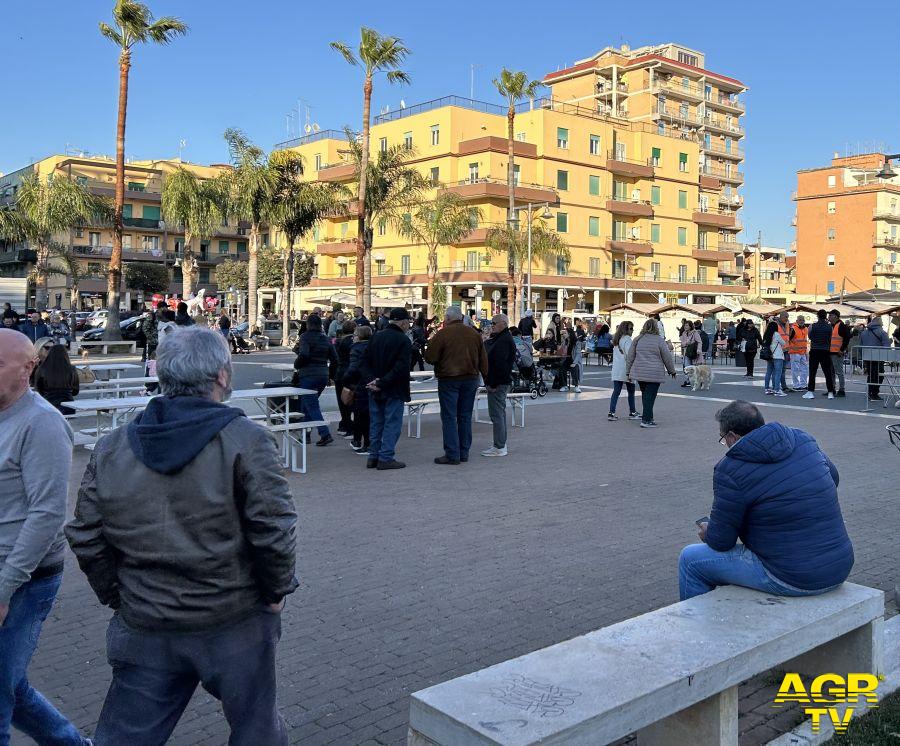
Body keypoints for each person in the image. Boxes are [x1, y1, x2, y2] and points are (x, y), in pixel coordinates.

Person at [65, 327, 297, 745]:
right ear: (223, 376)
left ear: (161, 375)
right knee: (256, 731)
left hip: (147, 621)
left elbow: (85, 534)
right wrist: (276, 591)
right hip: (233, 620)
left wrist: (120, 595)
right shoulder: (247, 440)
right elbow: (274, 530)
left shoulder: (113, 446)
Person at [0, 330, 91, 746]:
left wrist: (4, 590)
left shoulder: (42, 424)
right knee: (8, 685)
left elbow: (47, 515)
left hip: (24, 578)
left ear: (28, 368)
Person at [679, 400, 853, 601]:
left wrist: (708, 531)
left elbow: (721, 541)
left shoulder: (730, 469)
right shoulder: (802, 438)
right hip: (839, 565)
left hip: (792, 577)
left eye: (723, 438)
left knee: (690, 559)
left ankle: (697, 627)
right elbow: (834, 478)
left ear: (732, 437)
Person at [424, 306, 488, 465]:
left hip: (449, 379)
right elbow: (483, 359)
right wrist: (486, 377)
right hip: (471, 378)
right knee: (465, 416)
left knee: (449, 417)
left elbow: (430, 357)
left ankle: (452, 453)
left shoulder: (443, 334)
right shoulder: (474, 334)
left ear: (447, 318)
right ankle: (464, 451)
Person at [364, 308, 412, 469]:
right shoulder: (403, 340)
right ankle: (385, 457)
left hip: (374, 388)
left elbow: (364, 362)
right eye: (408, 322)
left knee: (376, 423)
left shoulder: (376, 336)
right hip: (394, 389)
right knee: (392, 423)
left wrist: (373, 381)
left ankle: (373, 456)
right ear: (403, 322)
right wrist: (382, 382)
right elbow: (401, 367)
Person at [292, 313, 338, 446]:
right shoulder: (326, 339)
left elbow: (304, 354)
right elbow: (335, 359)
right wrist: (330, 374)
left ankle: (325, 433)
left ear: (308, 324)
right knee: (308, 404)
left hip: (308, 375)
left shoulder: (305, 337)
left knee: (311, 405)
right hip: (322, 374)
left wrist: (297, 364)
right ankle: (305, 435)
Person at [625, 318, 676, 428]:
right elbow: (667, 357)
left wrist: (628, 372)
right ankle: (646, 420)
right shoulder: (659, 340)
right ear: (656, 328)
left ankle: (649, 417)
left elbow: (630, 357)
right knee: (650, 396)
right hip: (654, 373)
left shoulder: (637, 339)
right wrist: (671, 370)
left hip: (639, 372)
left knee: (646, 396)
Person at [482, 313, 517, 457]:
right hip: (500, 381)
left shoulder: (503, 340)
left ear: (503, 323)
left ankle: (500, 446)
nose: (492, 325)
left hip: (498, 383)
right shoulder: (501, 338)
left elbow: (500, 364)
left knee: (497, 414)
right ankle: (500, 444)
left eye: (494, 323)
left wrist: (493, 383)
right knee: (498, 414)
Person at [342, 325, 374, 454]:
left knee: (360, 416)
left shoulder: (356, 349)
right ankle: (368, 443)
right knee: (368, 416)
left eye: (354, 335)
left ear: (359, 336)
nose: (353, 338)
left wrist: (346, 380)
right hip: (371, 383)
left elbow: (354, 368)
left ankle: (365, 444)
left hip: (359, 385)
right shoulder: (373, 347)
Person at [34, 344, 80, 414]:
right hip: (68, 404)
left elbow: (39, 388)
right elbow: (75, 390)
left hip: (48, 403)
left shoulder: (42, 368)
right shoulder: (71, 369)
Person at [608, 321, 639, 421]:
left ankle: (611, 413)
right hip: (626, 369)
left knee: (616, 391)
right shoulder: (627, 340)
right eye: (630, 328)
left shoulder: (617, 340)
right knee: (631, 391)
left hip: (617, 369)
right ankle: (632, 412)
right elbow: (630, 355)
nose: (632, 330)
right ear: (626, 329)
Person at [804, 309, 836, 400]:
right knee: (827, 372)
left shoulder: (812, 326)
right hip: (825, 351)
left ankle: (810, 392)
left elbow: (810, 336)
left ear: (817, 316)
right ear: (826, 316)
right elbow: (830, 338)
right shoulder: (830, 327)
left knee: (812, 372)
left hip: (814, 350)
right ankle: (830, 392)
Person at [859, 315, 892, 401]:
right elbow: (887, 347)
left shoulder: (864, 332)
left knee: (871, 375)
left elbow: (860, 346)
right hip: (878, 357)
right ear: (879, 323)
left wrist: (862, 356)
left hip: (867, 357)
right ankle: (874, 393)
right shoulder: (882, 332)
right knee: (879, 376)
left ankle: (870, 392)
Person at [334, 319, 357, 436]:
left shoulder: (338, 341)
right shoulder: (354, 342)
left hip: (340, 373)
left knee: (342, 400)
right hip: (351, 374)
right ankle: (348, 426)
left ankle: (344, 424)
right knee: (352, 400)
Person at [828, 309, 851, 397]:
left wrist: (842, 349)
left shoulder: (841, 326)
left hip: (837, 353)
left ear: (835, 316)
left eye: (830, 315)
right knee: (831, 372)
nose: (829, 317)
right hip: (830, 352)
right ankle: (832, 389)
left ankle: (841, 390)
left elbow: (847, 338)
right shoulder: (831, 326)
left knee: (839, 372)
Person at [764, 319, 788, 397]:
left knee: (769, 372)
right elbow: (783, 343)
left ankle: (767, 388)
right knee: (778, 373)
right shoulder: (776, 334)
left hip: (770, 356)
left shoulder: (766, 335)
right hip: (777, 356)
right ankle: (777, 389)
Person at [787, 315, 809, 390]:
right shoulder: (793, 328)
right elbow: (788, 339)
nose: (802, 321)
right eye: (800, 320)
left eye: (803, 320)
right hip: (795, 352)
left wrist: (806, 352)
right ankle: (796, 385)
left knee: (804, 369)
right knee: (795, 369)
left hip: (802, 352)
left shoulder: (806, 329)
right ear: (797, 321)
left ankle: (803, 384)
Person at [679, 319, 703, 387]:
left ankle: (699, 380)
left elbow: (699, 342)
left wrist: (699, 350)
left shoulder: (695, 333)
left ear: (690, 326)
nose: (685, 327)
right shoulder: (684, 333)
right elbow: (682, 344)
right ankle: (688, 380)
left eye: (687, 325)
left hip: (695, 352)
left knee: (696, 367)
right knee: (686, 367)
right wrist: (686, 343)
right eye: (684, 325)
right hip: (687, 353)